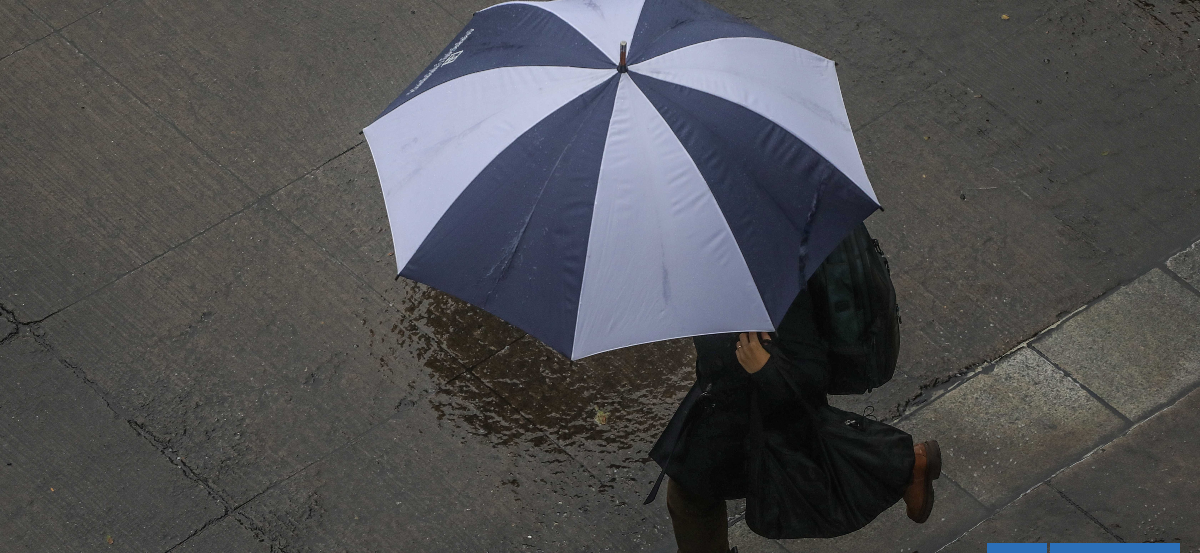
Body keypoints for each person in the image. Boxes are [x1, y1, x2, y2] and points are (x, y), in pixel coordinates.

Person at [649, 287, 941, 553]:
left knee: (807, 473)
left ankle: (902, 464)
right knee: (693, 490)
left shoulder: (771, 285)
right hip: (727, 395)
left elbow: (812, 375)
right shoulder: (718, 274)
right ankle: (903, 463)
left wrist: (765, 368)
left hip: (754, 400)